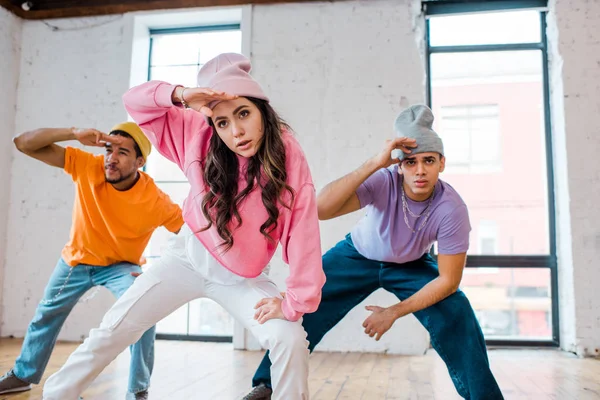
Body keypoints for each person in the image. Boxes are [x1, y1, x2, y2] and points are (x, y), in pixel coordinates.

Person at [42, 53, 325, 400]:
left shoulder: (287, 152)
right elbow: (135, 101)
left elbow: (303, 228)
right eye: (222, 122)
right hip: (185, 260)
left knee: (291, 339)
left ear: (261, 109)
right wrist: (180, 95)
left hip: (242, 278)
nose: (235, 132)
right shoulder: (197, 133)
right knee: (114, 329)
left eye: (243, 114)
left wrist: (296, 301)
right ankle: (55, 394)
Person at [244, 105, 504, 400]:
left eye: (428, 161)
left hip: (411, 265)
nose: (419, 171)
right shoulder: (385, 179)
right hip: (356, 255)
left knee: (457, 312)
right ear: (399, 164)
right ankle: (266, 386)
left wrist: (393, 312)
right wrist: (374, 164)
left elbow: (448, 281)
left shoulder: (451, 208)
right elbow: (321, 208)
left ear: (441, 163)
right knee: (303, 302)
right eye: (410, 162)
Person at [0, 122, 184, 400]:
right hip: (76, 260)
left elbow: (190, 236)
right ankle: (23, 376)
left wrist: (158, 271)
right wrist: (72, 134)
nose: (111, 158)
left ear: (140, 161)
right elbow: (23, 143)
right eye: (110, 149)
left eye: (123, 152)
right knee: (46, 315)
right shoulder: (89, 165)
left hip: (122, 266)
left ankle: (138, 390)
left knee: (144, 313)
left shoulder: (155, 200)